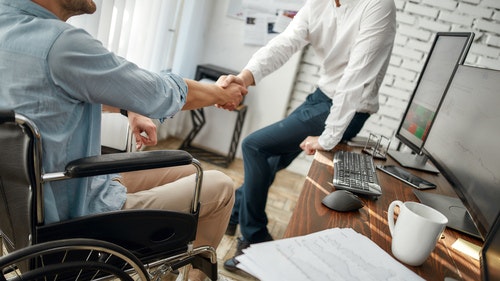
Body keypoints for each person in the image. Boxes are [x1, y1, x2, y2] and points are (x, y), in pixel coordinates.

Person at [0, 0, 247, 280]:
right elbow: (158, 94)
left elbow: (48, 96)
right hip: (74, 226)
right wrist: (220, 93)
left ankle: (165, 268)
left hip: (23, 213)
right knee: (220, 186)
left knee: (189, 171)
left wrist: (127, 107)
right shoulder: (60, 43)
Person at [219, 0, 397, 272]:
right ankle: (234, 213)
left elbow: (355, 79)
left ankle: (255, 241)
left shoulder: (377, 5)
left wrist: (327, 138)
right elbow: (286, 42)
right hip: (320, 98)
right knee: (268, 162)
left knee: (254, 146)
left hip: (345, 108)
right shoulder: (319, 3)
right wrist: (244, 78)